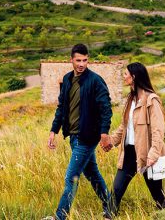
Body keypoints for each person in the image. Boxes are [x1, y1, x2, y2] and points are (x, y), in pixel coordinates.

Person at [47, 44, 113, 220]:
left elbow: (106, 108)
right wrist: (54, 130)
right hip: (74, 136)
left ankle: (59, 217)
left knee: (71, 178)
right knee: (92, 174)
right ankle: (111, 207)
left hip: (87, 137)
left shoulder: (95, 80)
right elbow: (62, 107)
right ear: (71, 60)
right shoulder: (67, 79)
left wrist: (104, 133)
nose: (82, 64)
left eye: (85, 60)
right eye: (78, 60)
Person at [106, 62, 165, 216]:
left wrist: (153, 154)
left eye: (126, 74)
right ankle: (108, 216)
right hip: (129, 153)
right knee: (117, 189)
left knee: (157, 193)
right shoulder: (130, 99)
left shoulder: (151, 100)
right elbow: (124, 126)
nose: (124, 76)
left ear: (133, 77)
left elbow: (158, 130)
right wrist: (112, 141)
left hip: (146, 154)